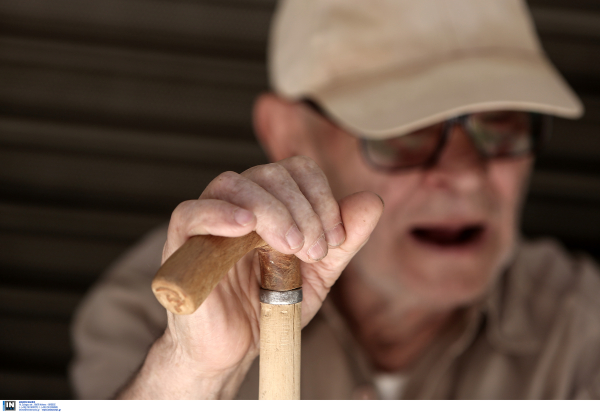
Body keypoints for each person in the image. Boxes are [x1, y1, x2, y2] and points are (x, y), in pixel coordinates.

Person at [70, 0, 600, 400]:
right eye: (406, 127)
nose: (463, 173)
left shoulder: (582, 331)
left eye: (501, 124)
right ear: (288, 133)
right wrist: (194, 371)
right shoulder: (161, 308)